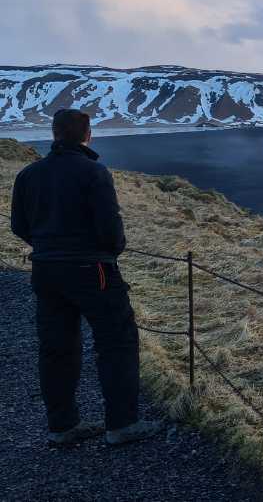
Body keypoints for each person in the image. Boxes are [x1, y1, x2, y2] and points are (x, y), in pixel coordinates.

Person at [10, 109, 161, 446]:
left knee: (56, 347)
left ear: (54, 135)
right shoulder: (94, 172)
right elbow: (111, 230)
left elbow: (19, 226)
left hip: (46, 271)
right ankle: (122, 424)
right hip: (93, 271)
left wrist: (48, 247)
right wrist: (108, 251)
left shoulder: (28, 174)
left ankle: (62, 427)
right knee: (117, 341)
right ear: (87, 135)